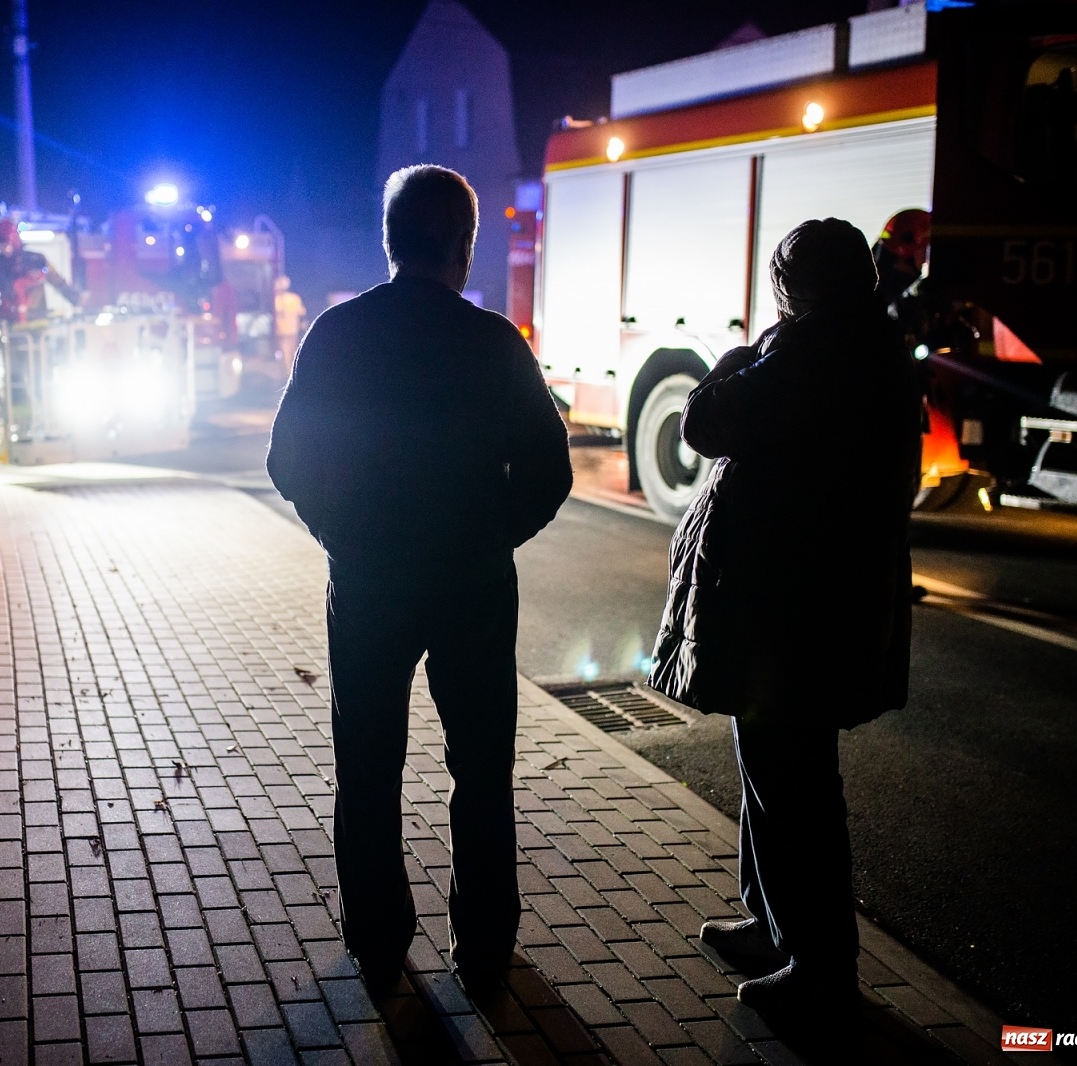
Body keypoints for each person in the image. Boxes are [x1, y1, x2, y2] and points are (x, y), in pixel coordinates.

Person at [267, 165, 572, 995]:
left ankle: (375, 934)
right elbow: (549, 471)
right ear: (464, 247)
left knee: (367, 761)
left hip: (367, 583)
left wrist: (343, 532)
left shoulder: (340, 334)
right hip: (473, 587)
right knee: (482, 766)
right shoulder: (494, 343)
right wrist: (489, 536)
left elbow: (287, 458)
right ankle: (483, 944)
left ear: (390, 241)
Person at [645, 218, 921, 1017]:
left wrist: (740, 357)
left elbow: (705, 422)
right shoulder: (872, 347)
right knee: (774, 770)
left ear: (796, 285)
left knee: (794, 784)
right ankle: (773, 924)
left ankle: (818, 967)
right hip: (818, 605)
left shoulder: (812, 353)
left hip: (797, 614)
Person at [0, 218, 80, 325]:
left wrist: (77, 300)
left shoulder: (36, 260)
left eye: (5, 243)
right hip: (9, 322)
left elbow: (58, 282)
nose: (3, 248)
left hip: (38, 321)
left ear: (13, 241)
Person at [273, 274, 307, 376]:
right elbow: (302, 313)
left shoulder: (276, 300)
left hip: (281, 332)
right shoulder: (295, 298)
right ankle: (294, 373)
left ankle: (288, 375)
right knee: (292, 353)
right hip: (293, 331)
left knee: (285, 355)